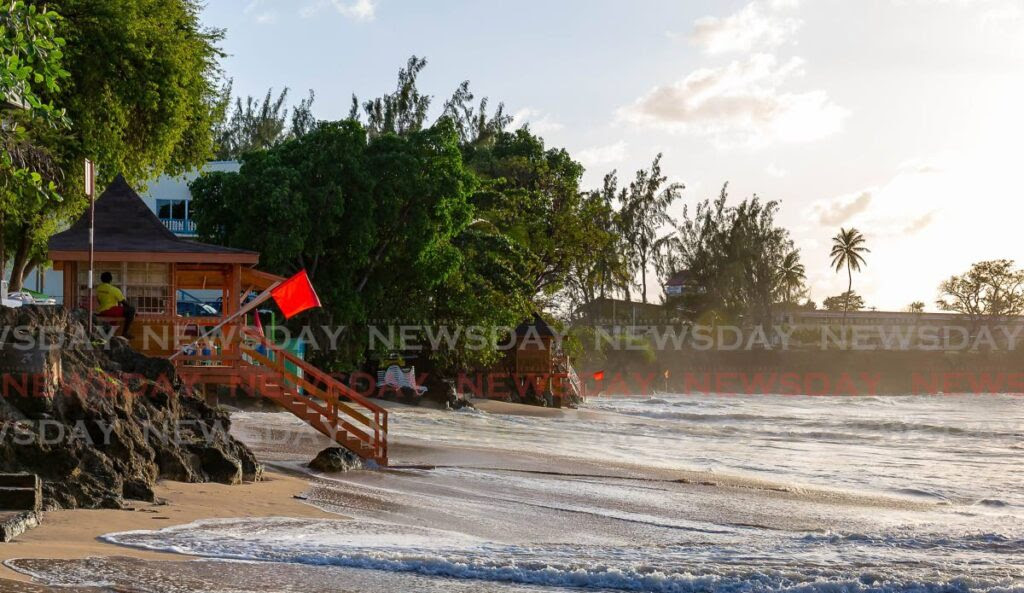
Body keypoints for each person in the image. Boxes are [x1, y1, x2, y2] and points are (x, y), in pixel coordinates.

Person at [96, 271, 135, 338]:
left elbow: (99, 301)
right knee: (131, 310)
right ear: (111, 280)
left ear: (101, 280)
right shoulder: (114, 290)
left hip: (102, 311)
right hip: (111, 310)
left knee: (110, 330)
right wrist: (132, 312)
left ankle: (107, 335)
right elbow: (124, 303)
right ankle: (125, 332)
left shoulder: (98, 289)